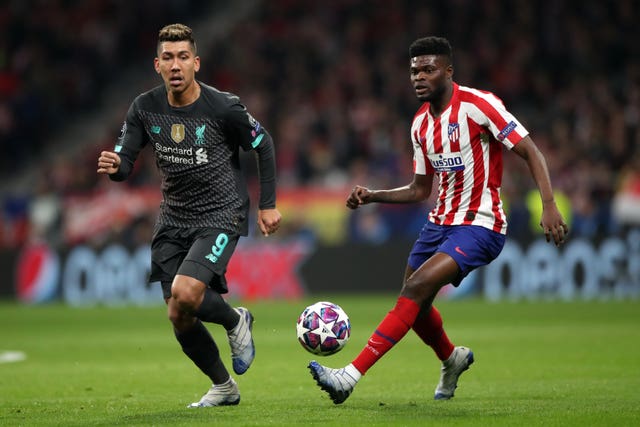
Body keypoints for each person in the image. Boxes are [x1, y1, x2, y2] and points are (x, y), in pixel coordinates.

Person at [308, 36, 568, 404]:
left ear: (448, 71)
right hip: (438, 222)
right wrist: (375, 195)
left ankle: (348, 376)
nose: (419, 77)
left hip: (481, 223)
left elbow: (531, 150)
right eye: (414, 71)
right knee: (416, 305)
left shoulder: (480, 106)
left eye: (428, 69)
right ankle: (452, 358)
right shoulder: (419, 125)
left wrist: (549, 204)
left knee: (413, 291)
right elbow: (419, 188)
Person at [97, 23, 282, 407]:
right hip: (173, 218)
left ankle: (235, 321)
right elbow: (125, 163)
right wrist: (115, 165)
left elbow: (263, 144)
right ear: (157, 65)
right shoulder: (144, 108)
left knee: (186, 292)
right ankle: (224, 387)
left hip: (221, 212)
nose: (176, 65)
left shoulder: (223, 107)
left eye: (183, 57)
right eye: (168, 58)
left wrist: (267, 204)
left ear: (196, 63)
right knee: (178, 314)